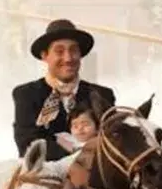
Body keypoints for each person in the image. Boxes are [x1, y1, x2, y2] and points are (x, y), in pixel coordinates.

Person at [12, 19, 115, 161]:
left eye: (73, 50)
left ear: (80, 55)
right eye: (59, 51)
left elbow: (112, 140)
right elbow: (28, 144)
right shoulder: (26, 94)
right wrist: (77, 156)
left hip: (93, 178)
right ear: (45, 56)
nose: (68, 58)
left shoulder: (102, 95)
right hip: (44, 178)